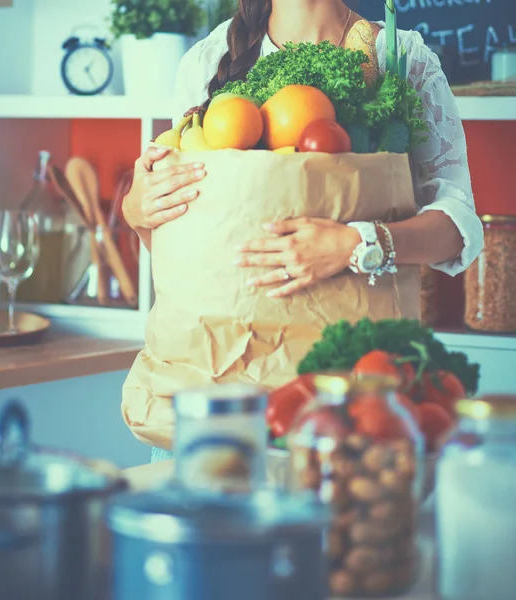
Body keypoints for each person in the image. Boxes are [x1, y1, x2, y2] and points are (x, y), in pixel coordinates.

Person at [122, 0, 484, 463]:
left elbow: (459, 225)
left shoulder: (400, 55)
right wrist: (139, 212)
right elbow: (191, 248)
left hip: (343, 411)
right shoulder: (210, 58)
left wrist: (358, 244)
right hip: (211, 403)